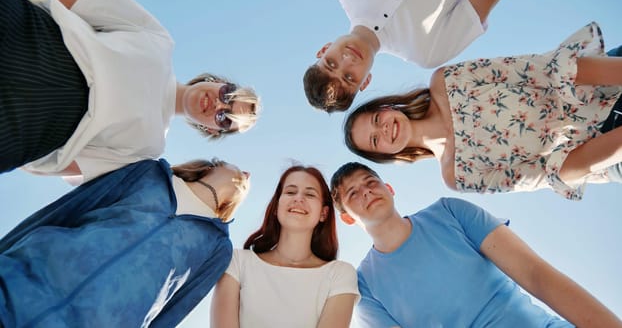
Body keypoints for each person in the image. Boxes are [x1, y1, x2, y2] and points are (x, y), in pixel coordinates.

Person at [1, 0, 260, 183]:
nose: (218, 105)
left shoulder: (148, 149)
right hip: (30, 38)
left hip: (30, 125)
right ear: (216, 81)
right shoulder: (159, 41)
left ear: (212, 130)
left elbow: (67, 165)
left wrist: (16, 147)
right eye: (227, 95)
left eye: (225, 118)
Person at [344, 22, 622, 200]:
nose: (384, 129)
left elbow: (539, 70)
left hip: (603, 81)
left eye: (377, 119)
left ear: (387, 106)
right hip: (606, 152)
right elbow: (548, 174)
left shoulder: (445, 82)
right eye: (375, 140)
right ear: (385, 155)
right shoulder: (457, 175)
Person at [330, 161, 622, 327]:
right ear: (347, 218)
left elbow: (536, 274)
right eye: (353, 194)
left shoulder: (449, 213)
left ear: (389, 189)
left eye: (370, 183)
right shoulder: (365, 286)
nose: (366, 193)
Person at [0, 157, 250, 327]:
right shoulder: (150, 174)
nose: (247, 175)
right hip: (18, 283)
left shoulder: (217, 246)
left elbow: (174, 311)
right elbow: (71, 208)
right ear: (211, 166)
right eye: (238, 168)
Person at [303, 0, 517, 112]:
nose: (347, 60)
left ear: (323, 49)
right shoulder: (428, 52)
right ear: (365, 82)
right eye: (350, 77)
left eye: (330, 63)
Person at [210, 165, 359, 328]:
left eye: (310, 194)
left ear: (323, 213)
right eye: (290, 192)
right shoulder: (237, 262)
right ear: (276, 207)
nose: (298, 199)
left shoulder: (340, 274)